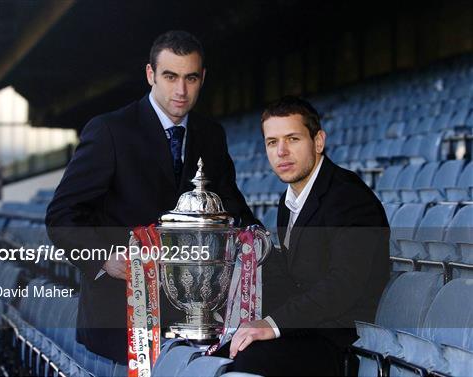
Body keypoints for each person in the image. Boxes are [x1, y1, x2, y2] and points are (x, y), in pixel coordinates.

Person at [45, 30, 257, 365]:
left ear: (203, 78)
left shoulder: (211, 134)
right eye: (170, 76)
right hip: (120, 320)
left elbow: (233, 207)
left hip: (194, 319)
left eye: (190, 78)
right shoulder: (109, 131)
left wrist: (256, 239)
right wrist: (103, 258)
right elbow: (62, 216)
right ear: (150, 75)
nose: (181, 90)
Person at [218, 96, 390, 376]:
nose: (281, 152)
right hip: (305, 328)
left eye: (293, 139)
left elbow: (342, 287)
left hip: (341, 342)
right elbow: (294, 277)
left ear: (318, 141)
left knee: (247, 360)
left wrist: (271, 324)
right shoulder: (289, 200)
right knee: (218, 350)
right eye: (272, 142)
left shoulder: (350, 199)